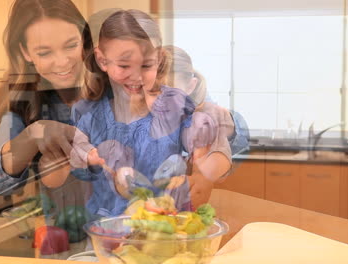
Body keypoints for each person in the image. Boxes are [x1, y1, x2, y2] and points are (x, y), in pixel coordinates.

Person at [40, 9, 222, 216]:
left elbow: (204, 158)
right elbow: (54, 179)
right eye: (124, 65)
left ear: (159, 58)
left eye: (146, 65)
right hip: (108, 234)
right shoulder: (88, 115)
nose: (136, 76)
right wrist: (58, 158)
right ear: (102, 60)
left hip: (166, 232)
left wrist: (201, 173)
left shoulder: (175, 109)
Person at [0, 0, 95, 255]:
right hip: (67, 247)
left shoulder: (113, 81)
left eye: (71, 45)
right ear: (26, 52)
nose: (62, 62)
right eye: (44, 53)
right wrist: (32, 135)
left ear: (84, 39)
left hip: (131, 236)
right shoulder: (24, 102)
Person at [163, 45, 251, 207]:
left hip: (233, 131)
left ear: (189, 87)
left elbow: (200, 189)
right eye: (154, 93)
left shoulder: (202, 121)